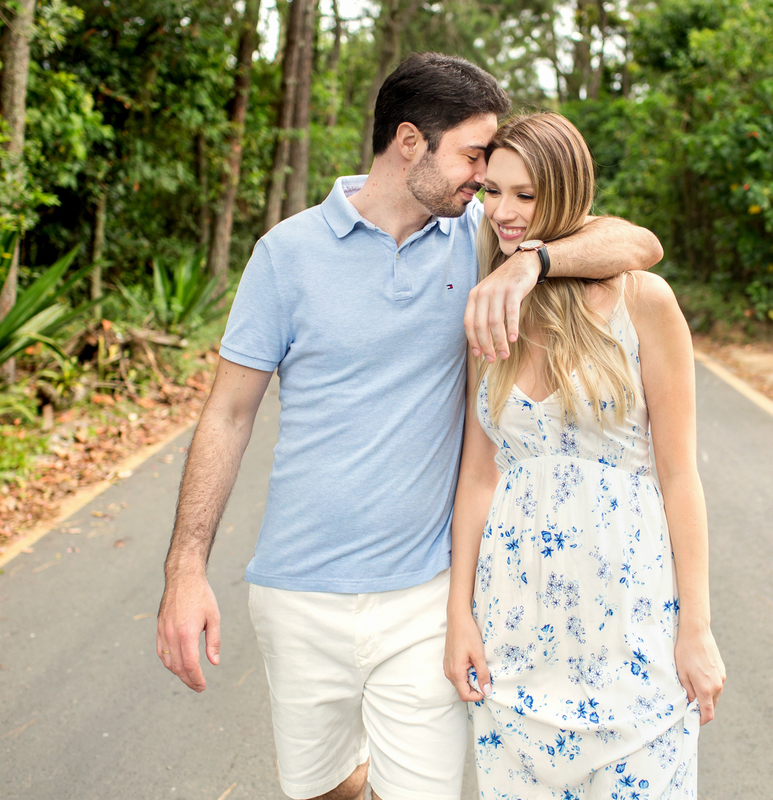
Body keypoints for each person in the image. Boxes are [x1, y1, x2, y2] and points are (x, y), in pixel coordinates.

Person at [155, 54, 664, 800]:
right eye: (472, 158)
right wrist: (184, 570)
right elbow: (229, 415)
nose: (483, 184)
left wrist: (533, 265)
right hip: (297, 593)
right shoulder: (286, 254)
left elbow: (637, 244)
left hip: (426, 594)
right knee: (323, 787)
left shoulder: (481, 241)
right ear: (408, 142)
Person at [442, 113, 725, 798]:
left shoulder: (641, 301)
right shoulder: (490, 308)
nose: (503, 212)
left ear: (566, 196)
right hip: (514, 637)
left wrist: (698, 628)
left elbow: (679, 475)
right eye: (493, 191)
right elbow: (478, 478)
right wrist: (460, 616)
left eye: (526, 195)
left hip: (631, 635)